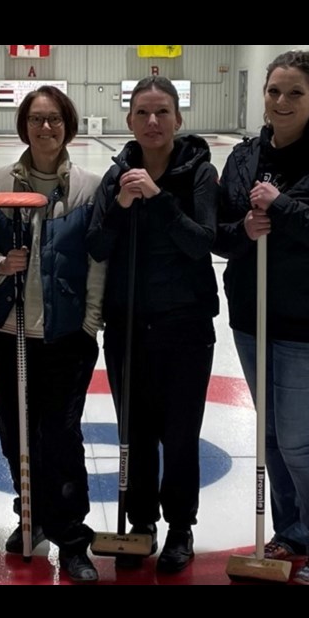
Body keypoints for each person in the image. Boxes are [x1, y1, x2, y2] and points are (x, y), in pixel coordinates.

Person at [214, 50, 309, 585]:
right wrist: (244, 231)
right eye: (274, 91)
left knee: (298, 439)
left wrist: (282, 207)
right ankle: (292, 532)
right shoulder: (244, 157)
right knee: (271, 438)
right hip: (252, 317)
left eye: (296, 93)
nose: (282, 102)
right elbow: (222, 230)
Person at [0, 85, 105, 583]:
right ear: (23, 125)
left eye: (54, 120)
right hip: (9, 331)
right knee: (16, 431)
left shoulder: (89, 188)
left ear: (67, 124)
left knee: (61, 434)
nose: (45, 128)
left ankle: (72, 536)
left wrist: (90, 323)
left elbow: (96, 260)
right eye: (35, 119)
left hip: (65, 335)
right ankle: (30, 516)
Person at [87, 76, 219, 574]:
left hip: (184, 327)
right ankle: (141, 523)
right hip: (127, 328)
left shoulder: (200, 175)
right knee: (134, 433)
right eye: (142, 113)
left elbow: (202, 241)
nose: (152, 122)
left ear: (178, 119)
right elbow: (97, 245)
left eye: (162, 112)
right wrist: (122, 205)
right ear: (130, 121)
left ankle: (180, 527)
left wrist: (159, 199)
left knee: (181, 434)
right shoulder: (116, 175)